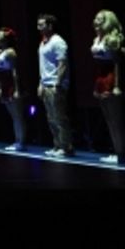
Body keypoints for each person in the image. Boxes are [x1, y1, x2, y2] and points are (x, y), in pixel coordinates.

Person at [91, 9, 125, 164]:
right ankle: (116, 151)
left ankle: (121, 154)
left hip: (110, 78)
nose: (96, 21)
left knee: (116, 120)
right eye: (96, 18)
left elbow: (117, 63)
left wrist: (117, 86)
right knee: (108, 119)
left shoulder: (112, 40)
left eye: (100, 19)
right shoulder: (96, 39)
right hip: (100, 78)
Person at [36, 13, 74, 157]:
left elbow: (62, 63)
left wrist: (58, 83)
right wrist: (40, 84)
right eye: (38, 24)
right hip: (46, 84)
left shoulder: (58, 41)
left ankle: (66, 147)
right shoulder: (42, 42)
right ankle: (57, 145)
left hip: (55, 85)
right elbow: (43, 66)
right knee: (51, 118)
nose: (38, 27)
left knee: (60, 117)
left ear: (50, 26)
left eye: (42, 24)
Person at [0, 27, 26, 151]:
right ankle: (17, 140)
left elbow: (15, 72)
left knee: (18, 115)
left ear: (5, 39)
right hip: (5, 84)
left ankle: (21, 142)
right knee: (13, 115)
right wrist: (0, 87)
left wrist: (17, 89)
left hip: (13, 84)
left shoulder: (10, 52)